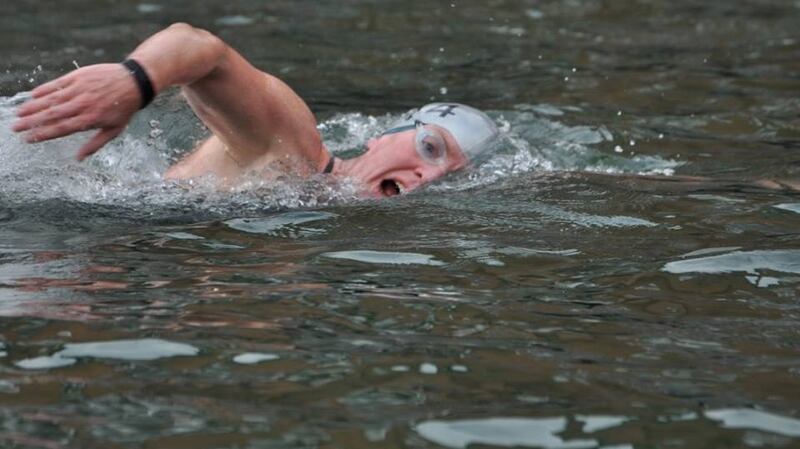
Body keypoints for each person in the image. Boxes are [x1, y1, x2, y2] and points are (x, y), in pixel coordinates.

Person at [11, 23, 498, 198]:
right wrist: (135, 80)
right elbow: (202, 49)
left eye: (448, 178)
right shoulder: (296, 148)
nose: (425, 178)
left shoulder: (313, 199)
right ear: (380, 137)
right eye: (429, 149)